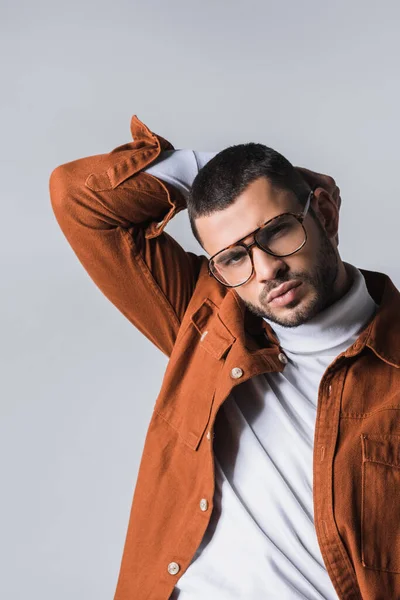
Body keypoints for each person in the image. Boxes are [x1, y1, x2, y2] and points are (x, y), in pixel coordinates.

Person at [49, 115, 400, 600]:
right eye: (234, 257)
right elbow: (80, 198)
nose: (266, 270)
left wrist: (276, 185)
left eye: (279, 231)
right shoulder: (206, 318)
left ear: (327, 217)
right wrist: (212, 177)